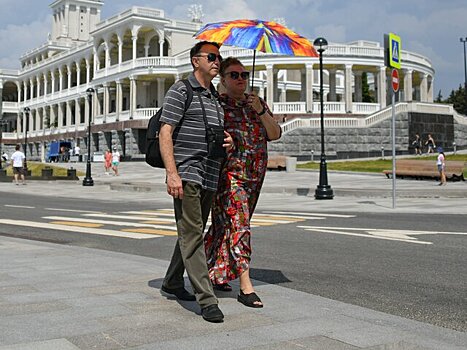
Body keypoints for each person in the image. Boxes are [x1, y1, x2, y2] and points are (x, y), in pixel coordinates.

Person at [159, 41, 232, 323]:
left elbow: (216, 135)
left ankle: (172, 282)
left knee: (193, 231)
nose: (217, 62)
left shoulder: (215, 98)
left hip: (210, 173)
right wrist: (172, 173)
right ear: (195, 61)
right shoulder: (182, 90)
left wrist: (228, 140)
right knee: (192, 234)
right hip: (188, 172)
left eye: (219, 58)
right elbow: (167, 132)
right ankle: (207, 299)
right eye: (211, 57)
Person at [204, 57, 282, 308]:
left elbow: (275, 134)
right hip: (229, 176)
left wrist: (260, 110)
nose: (241, 79)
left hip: (255, 175)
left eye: (244, 75)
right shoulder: (218, 105)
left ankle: (212, 273)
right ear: (223, 79)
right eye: (234, 75)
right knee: (240, 225)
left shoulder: (256, 104)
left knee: (222, 226)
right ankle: (246, 287)